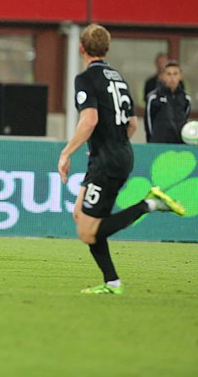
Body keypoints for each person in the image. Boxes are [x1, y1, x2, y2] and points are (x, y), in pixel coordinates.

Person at [58, 24, 185, 295]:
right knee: (80, 214)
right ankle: (112, 282)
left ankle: (149, 204)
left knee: (87, 232)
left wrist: (67, 152)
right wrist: (110, 144)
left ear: (82, 48)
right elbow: (132, 125)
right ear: (106, 48)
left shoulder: (86, 79)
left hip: (107, 159)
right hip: (115, 153)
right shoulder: (118, 78)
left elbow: (89, 119)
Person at [145, 60, 191, 143]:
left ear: (180, 76)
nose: (172, 78)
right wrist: (152, 142)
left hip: (179, 146)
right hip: (158, 145)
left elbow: (186, 117)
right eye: (168, 74)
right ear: (163, 76)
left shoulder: (186, 99)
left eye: (175, 74)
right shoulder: (153, 97)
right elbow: (148, 123)